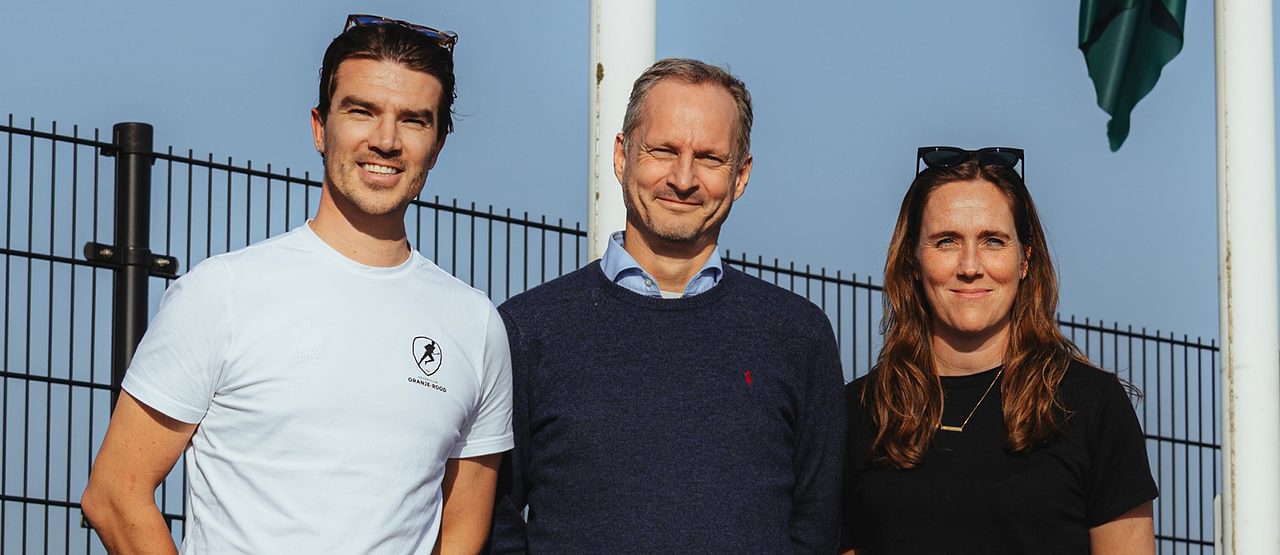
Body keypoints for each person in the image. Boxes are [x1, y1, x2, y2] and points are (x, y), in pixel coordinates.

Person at [82, 14, 512, 554]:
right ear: (319, 127)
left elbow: (462, 532)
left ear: (439, 143)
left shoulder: (476, 326)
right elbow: (115, 495)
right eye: (362, 111)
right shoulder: (222, 294)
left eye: (413, 120)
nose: (386, 140)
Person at [487, 58, 845, 554]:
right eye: (663, 150)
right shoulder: (528, 331)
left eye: (710, 158)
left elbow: (818, 527)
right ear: (622, 155)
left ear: (741, 175)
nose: (683, 178)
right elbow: (495, 519)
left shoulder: (799, 336)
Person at [840, 147, 1157, 554]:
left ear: (1025, 260)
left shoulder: (1091, 407)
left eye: (993, 241)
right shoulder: (858, 413)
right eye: (946, 241)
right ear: (913, 261)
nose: (970, 266)